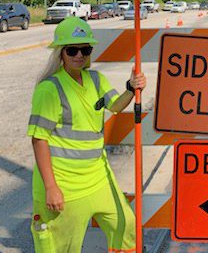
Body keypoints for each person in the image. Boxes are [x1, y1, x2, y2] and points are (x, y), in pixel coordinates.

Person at [28, 16, 145, 252]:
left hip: (98, 177)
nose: (79, 55)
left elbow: (115, 105)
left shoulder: (95, 79)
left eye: (85, 49)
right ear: (61, 53)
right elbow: (39, 139)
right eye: (72, 50)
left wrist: (131, 89)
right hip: (65, 184)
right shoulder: (50, 88)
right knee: (63, 247)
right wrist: (51, 187)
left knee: (126, 226)